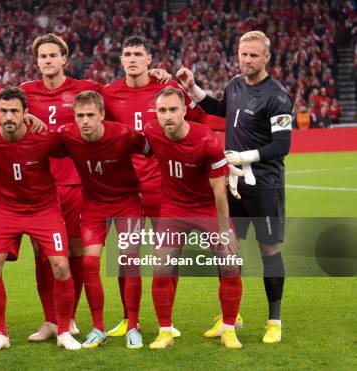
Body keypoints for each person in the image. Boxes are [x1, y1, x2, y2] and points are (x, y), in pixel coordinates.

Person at [20, 33, 172, 341]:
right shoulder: (23, 93)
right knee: (42, 255)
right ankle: (52, 320)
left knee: (80, 255)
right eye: (42, 56)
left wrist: (157, 77)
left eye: (53, 55)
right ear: (36, 61)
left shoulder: (88, 89)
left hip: (80, 185)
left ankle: (74, 318)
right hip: (40, 185)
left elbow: (122, 101)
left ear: (64, 59)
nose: (47, 60)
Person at [177, 30, 292, 343]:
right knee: (227, 251)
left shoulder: (278, 96)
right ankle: (232, 316)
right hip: (233, 184)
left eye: (254, 55)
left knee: (269, 251)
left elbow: (282, 145)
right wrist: (193, 89)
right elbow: (218, 109)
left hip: (265, 185)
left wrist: (242, 156)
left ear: (267, 57)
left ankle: (274, 321)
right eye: (243, 54)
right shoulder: (235, 84)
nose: (247, 60)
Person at [101, 35, 211, 338]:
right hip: (126, 190)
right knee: (127, 256)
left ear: (150, 59)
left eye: (138, 53)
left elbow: (199, 121)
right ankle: (128, 318)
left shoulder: (169, 91)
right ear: (121, 60)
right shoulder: (107, 95)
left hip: (165, 190)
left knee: (168, 258)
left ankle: (167, 320)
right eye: (127, 53)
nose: (132, 58)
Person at [0, 86, 80, 352]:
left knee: (61, 267)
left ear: (26, 113)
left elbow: (73, 142)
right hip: (7, 209)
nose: (9, 116)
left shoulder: (44, 137)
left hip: (45, 209)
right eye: (4, 111)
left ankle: (64, 330)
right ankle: (0, 333)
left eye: (15, 111)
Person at [143, 87, 243, 350]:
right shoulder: (151, 131)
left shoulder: (206, 140)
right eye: (162, 110)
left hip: (206, 208)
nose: (167, 115)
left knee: (231, 263)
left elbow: (219, 190)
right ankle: (165, 331)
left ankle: (229, 328)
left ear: (185, 111)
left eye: (173, 109)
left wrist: (225, 230)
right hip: (173, 208)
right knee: (162, 268)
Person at [57, 91, 150, 349]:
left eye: (90, 115)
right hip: (94, 206)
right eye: (80, 116)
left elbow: (153, 148)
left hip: (127, 204)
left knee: (130, 263)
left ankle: (133, 326)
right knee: (89, 263)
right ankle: (98, 328)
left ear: (102, 115)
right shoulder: (67, 134)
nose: (85, 121)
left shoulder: (122, 134)